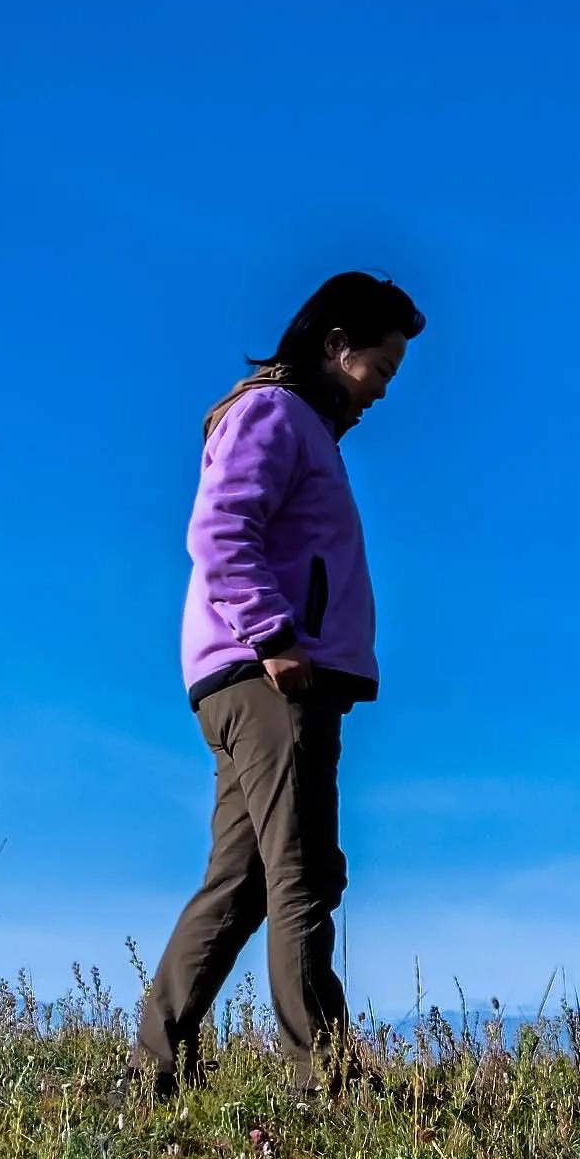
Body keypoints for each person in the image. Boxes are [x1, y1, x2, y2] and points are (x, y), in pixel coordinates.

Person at [141, 270, 423, 1095]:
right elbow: (221, 527)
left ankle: (157, 1065)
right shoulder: (276, 413)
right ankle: (326, 1079)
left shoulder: (299, 426)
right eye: (381, 367)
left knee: (245, 878)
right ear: (337, 347)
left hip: (252, 674)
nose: (381, 391)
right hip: (268, 677)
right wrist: (274, 635)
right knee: (302, 869)